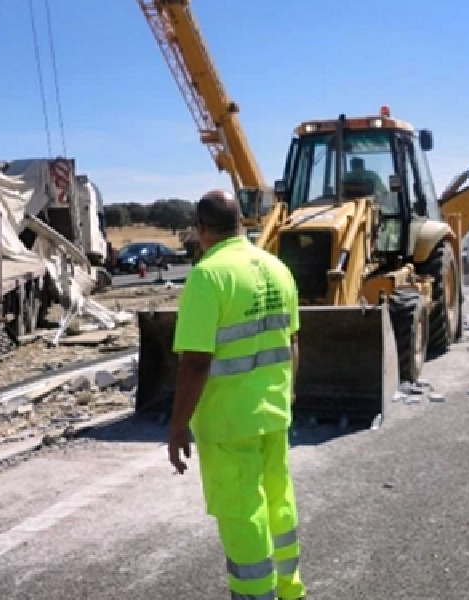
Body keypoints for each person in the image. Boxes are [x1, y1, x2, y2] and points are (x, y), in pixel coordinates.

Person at [169, 189, 307, 600]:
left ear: (202, 229)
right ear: (242, 222)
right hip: (273, 412)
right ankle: (288, 589)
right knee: (278, 500)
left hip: (229, 422)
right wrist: (289, 391)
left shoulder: (208, 276)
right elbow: (292, 341)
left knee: (242, 511)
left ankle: (254, 594)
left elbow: (195, 362)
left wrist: (177, 425)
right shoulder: (277, 268)